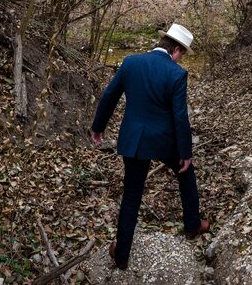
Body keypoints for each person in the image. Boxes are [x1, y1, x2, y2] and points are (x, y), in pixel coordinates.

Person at [90, 23, 210, 270]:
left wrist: (98, 127)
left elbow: (109, 95)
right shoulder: (176, 74)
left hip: (134, 140)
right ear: (176, 49)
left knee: (131, 195)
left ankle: (121, 255)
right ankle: (192, 225)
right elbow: (179, 116)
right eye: (182, 54)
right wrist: (185, 153)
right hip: (165, 141)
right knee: (186, 173)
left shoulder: (131, 62)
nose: (180, 60)